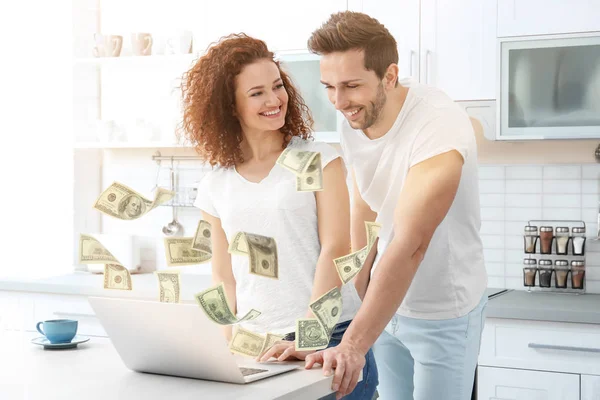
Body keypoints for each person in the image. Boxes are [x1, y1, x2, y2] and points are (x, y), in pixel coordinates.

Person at [301, 12, 488, 400]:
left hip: (444, 309)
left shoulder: (438, 125)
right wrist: (328, 320)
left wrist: (352, 344)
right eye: (329, 87)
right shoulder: (353, 115)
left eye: (351, 85)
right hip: (387, 308)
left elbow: (410, 244)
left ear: (389, 75)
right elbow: (365, 209)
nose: (338, 101)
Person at [180, 33, 378, 399]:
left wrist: (310, 333)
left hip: (328, 337)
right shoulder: (215, 183)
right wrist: (229, 344)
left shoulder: (317, 158)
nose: (274, 100)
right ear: (229, 106)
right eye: (257, 93)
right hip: (257, 347)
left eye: (277, 86)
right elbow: (224, 277)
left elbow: (337, 246)